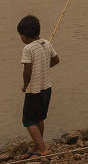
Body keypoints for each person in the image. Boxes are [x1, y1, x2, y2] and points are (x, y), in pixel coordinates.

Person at [18, 14, 62, 156]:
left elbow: (27, 71)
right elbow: (56, 60)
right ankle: (39, 144)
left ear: (24, 35)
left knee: (28, 120)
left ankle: (43, 149)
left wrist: (25, 86)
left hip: (34, 91)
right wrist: (44, 66)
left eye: (20, 35)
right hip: (47, 89)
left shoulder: (28, 49)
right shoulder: (46, 43)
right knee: (39, 118)